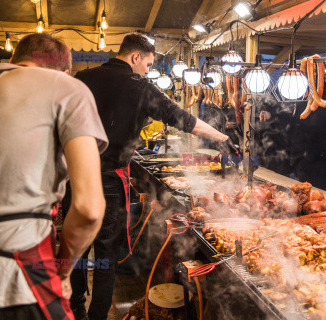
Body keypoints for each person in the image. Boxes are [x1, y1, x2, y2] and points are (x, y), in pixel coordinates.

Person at [68, 33, 229, 320]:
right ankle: (96, 317)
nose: (147, 70)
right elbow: (183, 119)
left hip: (74, 178)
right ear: (135, 57)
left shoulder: (82, 78)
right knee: (106, 253)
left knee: (76, 246)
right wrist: (221, 136)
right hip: (107, 183)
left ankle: (76, 308)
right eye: (148, 64)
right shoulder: (140, 87)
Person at [0, 33, 108, 320]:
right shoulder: (66, 87)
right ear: (64, 71)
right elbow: (89, 209)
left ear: (13, 62)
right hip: (15, 272)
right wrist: (62, 271)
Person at [288, 89, 326, 190]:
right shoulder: (306, 96)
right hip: (309, 157)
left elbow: (319, 130)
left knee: (313, 196)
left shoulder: (322, 99)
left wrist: (306, 158)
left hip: (315, 161)